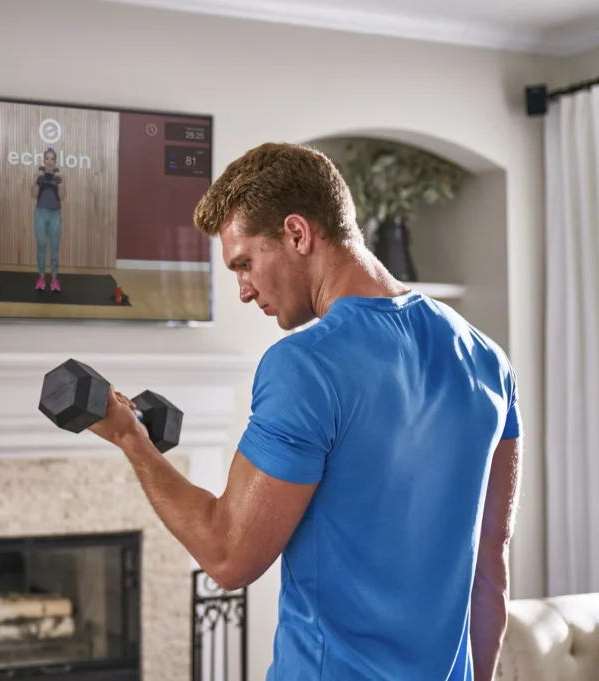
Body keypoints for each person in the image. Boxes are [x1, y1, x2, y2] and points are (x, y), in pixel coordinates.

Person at [86, 142, 521, 680]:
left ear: (297, 233)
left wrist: (132, 441)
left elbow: (227, 557)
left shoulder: (305, 364)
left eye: (244, 264)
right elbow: (490, 571)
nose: (244, 291)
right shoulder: (486, 359)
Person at [31, 148, 65, 292]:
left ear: (55, 161)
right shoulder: (37, 175)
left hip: (55, 214)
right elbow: (34, 195)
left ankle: (55, 279)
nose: (49, 162)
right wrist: (38, 180)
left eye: (52, 159)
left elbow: (62, 197)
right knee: (41, 245)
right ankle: (41, 278)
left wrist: (59, 182)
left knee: (54, 248)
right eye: (47, 159)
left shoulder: (60, 176)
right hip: (40, 214)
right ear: (44, 160)